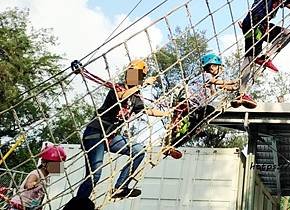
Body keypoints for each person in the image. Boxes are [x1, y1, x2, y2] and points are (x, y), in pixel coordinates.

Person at [74, 59, 172, 200]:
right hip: (96, 133)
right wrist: (143, 85)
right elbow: (121, 97)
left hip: (111, 136)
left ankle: (121, 187)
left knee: (139, 150)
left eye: (139, 76)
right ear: (127, 74)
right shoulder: (118, 88)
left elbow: (148, 111)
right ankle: (79, 204)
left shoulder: (135, 98)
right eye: (133, 74)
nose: (135, 78)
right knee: (95, 174)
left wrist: (167, 113)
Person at [167, 53, 256, 150]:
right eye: (219, 67)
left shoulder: (211, 81)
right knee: (176, 125)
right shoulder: (206, 76)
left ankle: (174, 145)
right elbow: (217, 82)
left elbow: (222, 87)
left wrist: (237, 87)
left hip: (194, 108)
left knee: (208, 112)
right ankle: (170, 139)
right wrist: (232, 81)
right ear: (212, 67)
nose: (221, 70)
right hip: (185, 103)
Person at [9, 144, 67, 210]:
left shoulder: (47, 177)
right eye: (56, 164)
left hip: (30, 206)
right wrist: (32, 184)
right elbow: (28, 184)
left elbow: (41, 195)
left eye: (60, 164)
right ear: (43, 162)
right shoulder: (36, 173)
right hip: (19, 205)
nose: (58, 167)